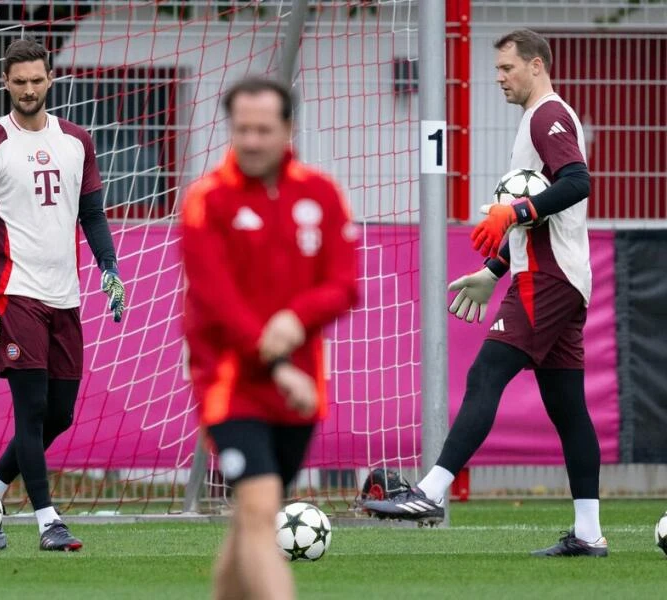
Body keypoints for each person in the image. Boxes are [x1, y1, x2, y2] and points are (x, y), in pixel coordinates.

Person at [364, 29, 606, 558]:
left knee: (486, 373)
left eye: (506, 68)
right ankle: (588, 534)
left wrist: (514, 212)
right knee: (568, 410)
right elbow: (546, 207)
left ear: (536, 65)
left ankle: (428, 493)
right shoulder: (538, 118)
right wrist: (493, 270)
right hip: (555, 276)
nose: (498, 78)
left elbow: (577, 182)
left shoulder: (548, 115)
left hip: (548, 279)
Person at [181, 77, 358, 598]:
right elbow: (218, 305)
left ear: (287, 129)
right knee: (260, 510)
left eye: (263, 129)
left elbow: (345, 285)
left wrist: (296, 318)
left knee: (249, 521)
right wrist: (278, 364)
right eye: (242, 129)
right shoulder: (206, 200)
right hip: (230, 383)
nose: (252, 140)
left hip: (299, 394)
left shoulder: (321, 193)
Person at [0, 38, 125, 551]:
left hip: (65, 296)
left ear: (50, 80)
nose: (28, 89)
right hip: (15, 294)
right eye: (19, 81)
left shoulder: (77, 140)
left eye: (36, 80)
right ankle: (49, 521)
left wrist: (110, 268)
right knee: (30, 410)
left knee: (61, 414)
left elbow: (92, 214)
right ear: (5, 84)